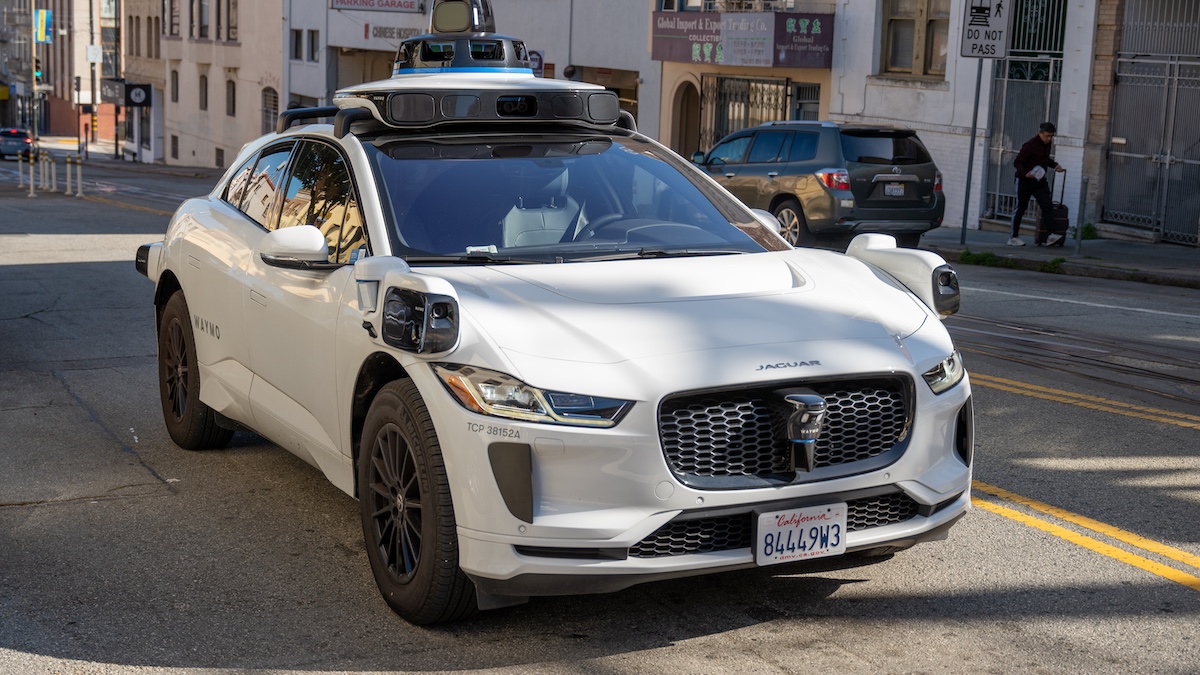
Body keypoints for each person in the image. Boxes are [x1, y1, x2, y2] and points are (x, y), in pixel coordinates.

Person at [1009, 122, 1064, 246]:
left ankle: (1051, 235)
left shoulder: (1047, 144)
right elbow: (1017, 162)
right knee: (1020, 208)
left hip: (1039, 181)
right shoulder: (1029, 146)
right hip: (1024, 181)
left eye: (1051, 136)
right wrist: (1025, 174)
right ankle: (1013, 237)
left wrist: (1055, 165)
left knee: (1047, 205)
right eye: (1047, 136)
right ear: (1040, 133)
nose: (1049, 139)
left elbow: (1045, 160)